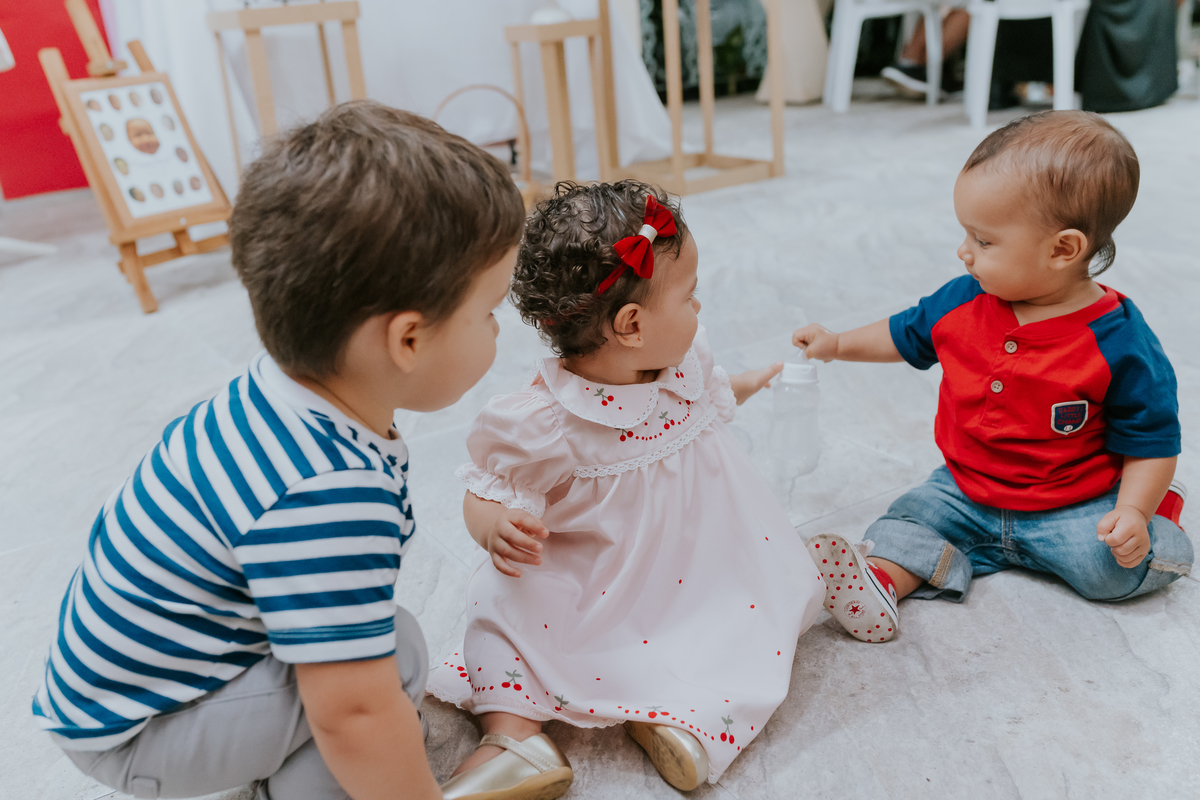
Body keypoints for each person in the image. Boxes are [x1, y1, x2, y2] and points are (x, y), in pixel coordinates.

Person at [31, 101, 526, 800]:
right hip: (145, 731)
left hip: (131, 694)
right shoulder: (326, 489)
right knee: (376, 687)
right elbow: (354, 713)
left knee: (393, 646)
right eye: (490, 311)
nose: (498, 331)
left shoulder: (280, 394)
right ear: (407, 340)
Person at [428, 181, 827, 799]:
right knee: (502, 625)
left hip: (696, 572)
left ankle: (686, 721)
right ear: (632, 324)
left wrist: (747, 383)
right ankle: (512, 739)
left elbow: (710, 399)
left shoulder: (685, 364)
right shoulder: (548, 423)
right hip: (595, 585)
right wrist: (493, 525)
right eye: (691, 297)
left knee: (739, 625)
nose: (699, 312)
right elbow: (487, 487)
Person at [793, 111, 1191, 643]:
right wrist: (838, 344)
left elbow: (1151, 439)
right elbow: (905, 333)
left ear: (1063, 249)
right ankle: (881, 584)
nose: (964, 252)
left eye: (983, 240)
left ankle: (1160, 517)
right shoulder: (964, 302)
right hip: (964, 490)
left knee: (1110, 568)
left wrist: (1133, 511)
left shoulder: (1119, 341)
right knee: (903, 523)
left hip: (1071, 505)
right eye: (966, 235)